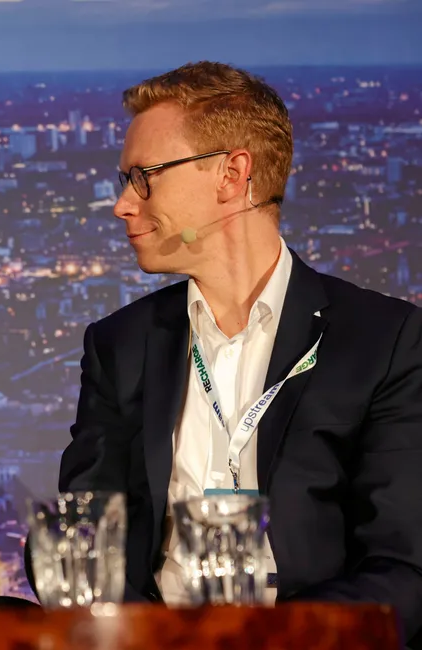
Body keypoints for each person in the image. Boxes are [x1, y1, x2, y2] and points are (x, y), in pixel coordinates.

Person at [58, 62, 422, 641]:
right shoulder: (120, 344)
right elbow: (80, 535)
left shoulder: (386, 341)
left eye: (144, 177)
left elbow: (404, 568)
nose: (123, 204)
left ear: (232, 174)